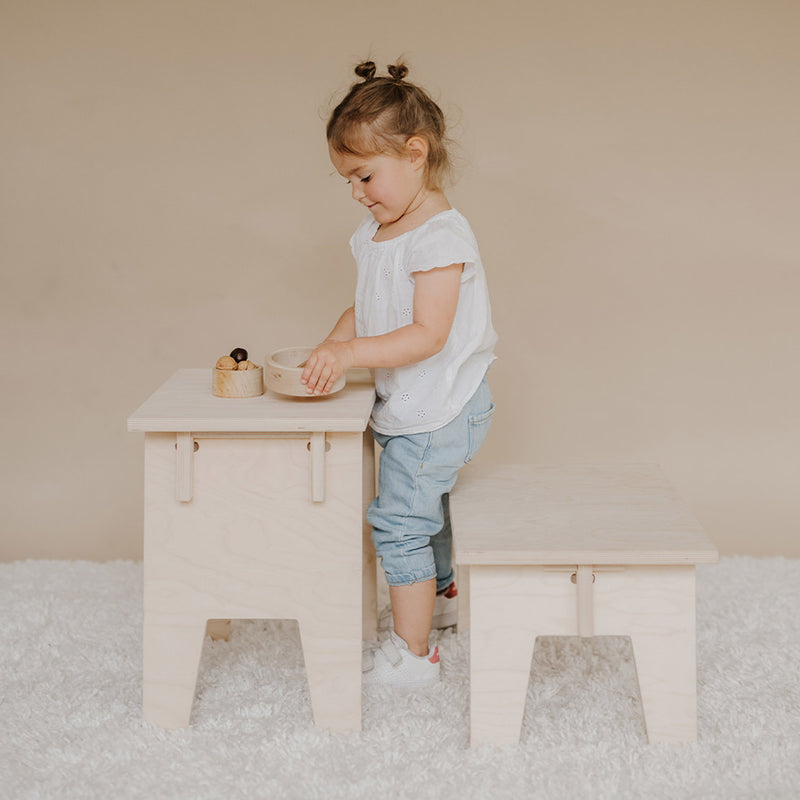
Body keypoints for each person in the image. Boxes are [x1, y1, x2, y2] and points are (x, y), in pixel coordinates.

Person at [301, 60, 497, 687]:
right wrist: (333, 344)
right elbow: (370, 306)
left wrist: (351, 356)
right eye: (348, 180)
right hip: (419, 405)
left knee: (401, 521)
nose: (357, 192)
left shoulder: (440, 238)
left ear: (415, 154)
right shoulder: (379, 231)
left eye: (365, 175)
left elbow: (426, 334)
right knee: (423, 508)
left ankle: (414, 656)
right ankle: (441, 602)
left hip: (442, 410)